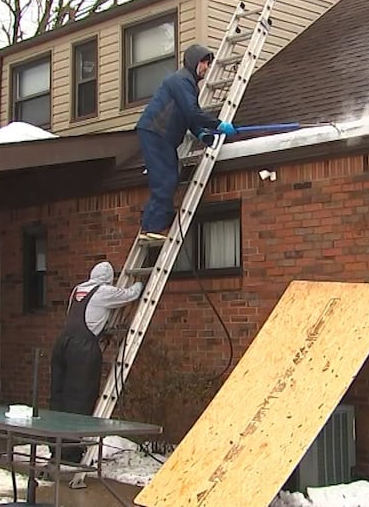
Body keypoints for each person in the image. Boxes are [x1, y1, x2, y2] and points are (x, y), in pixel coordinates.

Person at [135, 43, 236, 240]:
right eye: (204, 63)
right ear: (193, 62)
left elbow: (189, 117)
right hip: (156, 132)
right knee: (165, 179)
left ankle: (151, 224)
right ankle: (152, 227)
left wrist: (201, 134)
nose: (207, 67)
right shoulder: (181, 81)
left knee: (170, 176)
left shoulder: (187, 85)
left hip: (161, 135)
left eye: (208, 63)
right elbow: (192, 112)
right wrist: (219, 124)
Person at [49, 260, 144, 462]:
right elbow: (131, 295)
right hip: (82, 348)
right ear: (108, 278)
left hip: (62, 344)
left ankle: (56, 448)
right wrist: (141, 283)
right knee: (80, 397)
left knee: (59, 396)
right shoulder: (104, 292)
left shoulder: (78, 290)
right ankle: (72, 452)